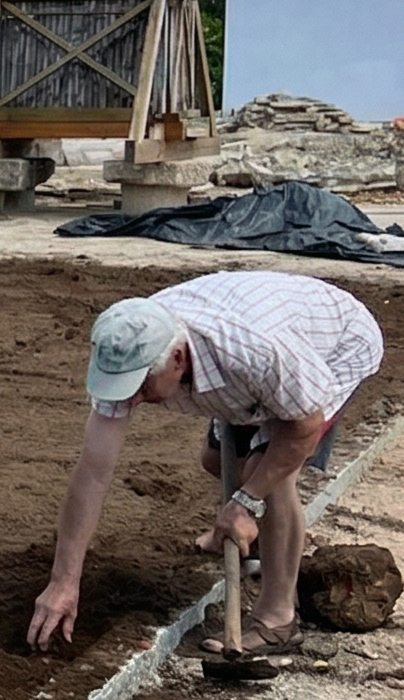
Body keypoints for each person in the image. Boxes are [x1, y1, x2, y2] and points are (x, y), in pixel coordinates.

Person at [29, 269, 383, 654]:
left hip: (333, 343)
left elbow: (303, 427)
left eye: (140, 387)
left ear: (177, 358)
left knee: (267, 477)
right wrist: (64, 580)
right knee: (216, 459)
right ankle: (260, 535)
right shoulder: (129, 350)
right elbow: (93, 472)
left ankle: (278, 618)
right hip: (248, 343)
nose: (129, 399)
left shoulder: (254, 353)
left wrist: (247, 501)